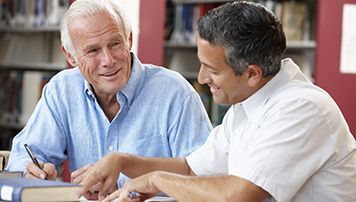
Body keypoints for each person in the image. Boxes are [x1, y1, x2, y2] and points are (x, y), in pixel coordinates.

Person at [79, 1, 356, 201]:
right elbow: (191, 169)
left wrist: (155, 180)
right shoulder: (246, 105)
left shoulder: (303, 108)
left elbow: (240, 195)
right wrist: (122, 161)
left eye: (211, 69)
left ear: (252, 73)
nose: (201, 78)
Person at [6, 0, 211, 193]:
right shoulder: (61, 90)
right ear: (70, 56)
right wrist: (33, 171)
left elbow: (204, 176)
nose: (108, 60)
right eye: (93, 50)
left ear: (129, 39)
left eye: (114, 44)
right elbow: (24, 155)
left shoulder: (175, 93)